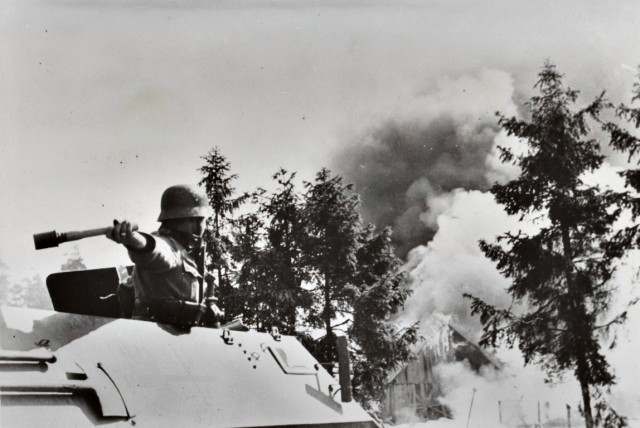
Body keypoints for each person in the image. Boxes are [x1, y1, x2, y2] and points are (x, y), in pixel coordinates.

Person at [106, 184, 223, 329]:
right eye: (204, 220)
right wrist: (131, 238)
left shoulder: (187, 255)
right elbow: (152, 250)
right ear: (195, 221)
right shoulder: (169, 247)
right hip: (156, 339)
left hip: (175, 339)